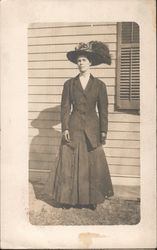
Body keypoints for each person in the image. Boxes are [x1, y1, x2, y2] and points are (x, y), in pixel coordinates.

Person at [44, 41, 114, 210]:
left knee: (93, 164)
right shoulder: (69, 84)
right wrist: (65, 128)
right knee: (69, 163)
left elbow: (103, 110)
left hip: (92, 129)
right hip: (73, 128)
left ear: (90, 62)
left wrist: (103, 131)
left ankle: (92, 199)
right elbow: (65, 107)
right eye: (79, 60)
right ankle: (67, 199)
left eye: (84, 60)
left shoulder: (100, 85)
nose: (81, 63)